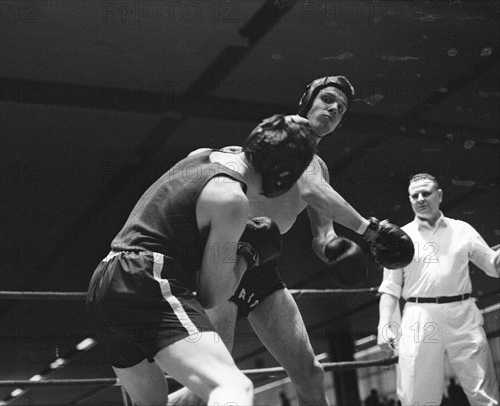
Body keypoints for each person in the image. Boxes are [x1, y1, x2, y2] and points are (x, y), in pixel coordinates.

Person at [169, 76, 414, 405]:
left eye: (340, 110)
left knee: (310, 373)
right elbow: (311, 188)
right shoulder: (282, 138)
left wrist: (336, 251)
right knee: (214, 380)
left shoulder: (318, 168)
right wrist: (370, 230)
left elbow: (322, 235)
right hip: (219, 258)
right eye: (327, 100)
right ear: (308, 101)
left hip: (261, 268)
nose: (333, 109)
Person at [85, 114, 317, 405]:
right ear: (283, 177)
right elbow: (212, 295)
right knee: (233, 387)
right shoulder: (231, 199)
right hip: (146, 278)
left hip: (105, 282)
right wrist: (249, 253)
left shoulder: (201, 156)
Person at [377, 173, 500, 406]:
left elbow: (492, 266)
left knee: (483, 393)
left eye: (426, 193)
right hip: (419, 315)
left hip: (462, 313)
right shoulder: (401, 237)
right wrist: (384, 324)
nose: (421, 199)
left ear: (440, 195)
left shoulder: (463, 229)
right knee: (417, 398)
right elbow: (390, 287)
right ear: (410, 200)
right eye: (415, 195)